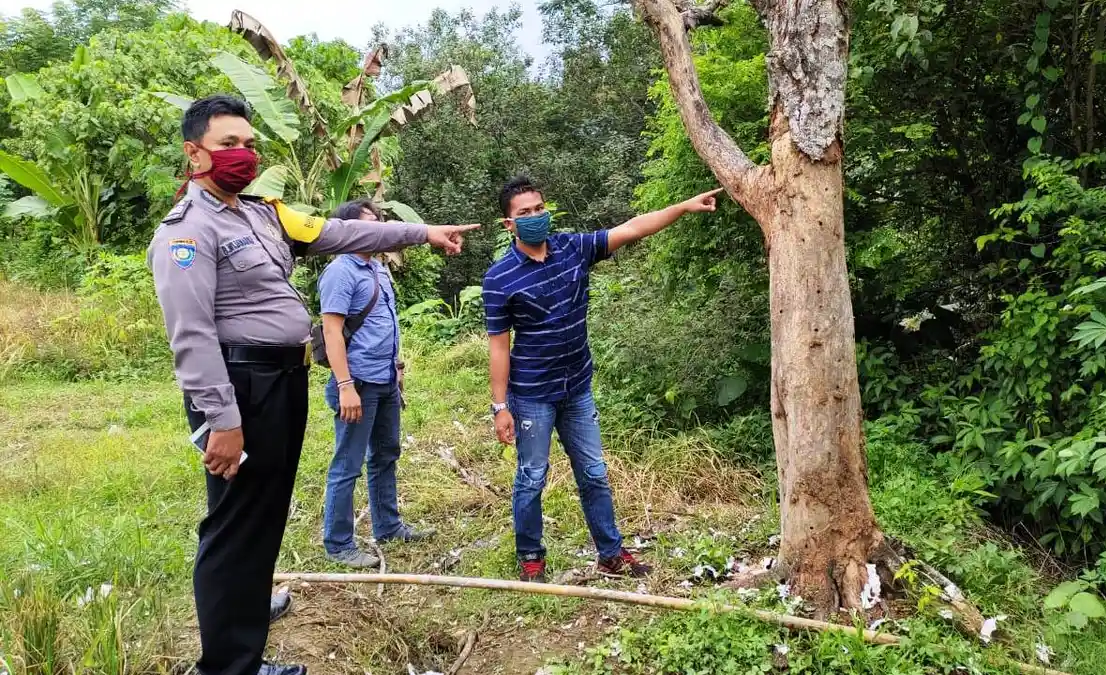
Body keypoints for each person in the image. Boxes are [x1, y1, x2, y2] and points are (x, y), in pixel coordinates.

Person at [148, 95, 478, 675]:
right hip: (240, 389)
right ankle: (228, 665)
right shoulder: (186, 231)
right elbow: (191, 335)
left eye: (250, 145)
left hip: (282, 381)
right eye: (228, 144)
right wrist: (221, 421)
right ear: (194, 152)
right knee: (234, 521)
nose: (243, 155)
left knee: (263, 510)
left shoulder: (262, 214)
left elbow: (343, 233)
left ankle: (245, 610)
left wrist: (422, 233)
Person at [483, 175, 721, 582]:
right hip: (532, 395)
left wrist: (682, 206)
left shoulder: (572, 248)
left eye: (540, 208)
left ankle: (610, 553)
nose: (536, 217)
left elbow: (631, 228)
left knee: (593, 472)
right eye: (525, 213)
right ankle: (531, 559)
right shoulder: (499, 278)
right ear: (509, 224)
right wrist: (500, 406)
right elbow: (499, 347)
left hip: (577, 387)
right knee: (531, 477)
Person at [317, 199, 430, 568]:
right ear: (348, 229)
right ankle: (338, 542)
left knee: (385, 454)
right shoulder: (340, 272)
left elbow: (387, 321)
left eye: (379, 222)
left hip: (384, 378)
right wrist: (345, 384)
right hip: (358, 382)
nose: (379, 228)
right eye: (369, 223)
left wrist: (397, 365)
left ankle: (388, 525)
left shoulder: (379, 270)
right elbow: (331, 331)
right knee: (347, 463)